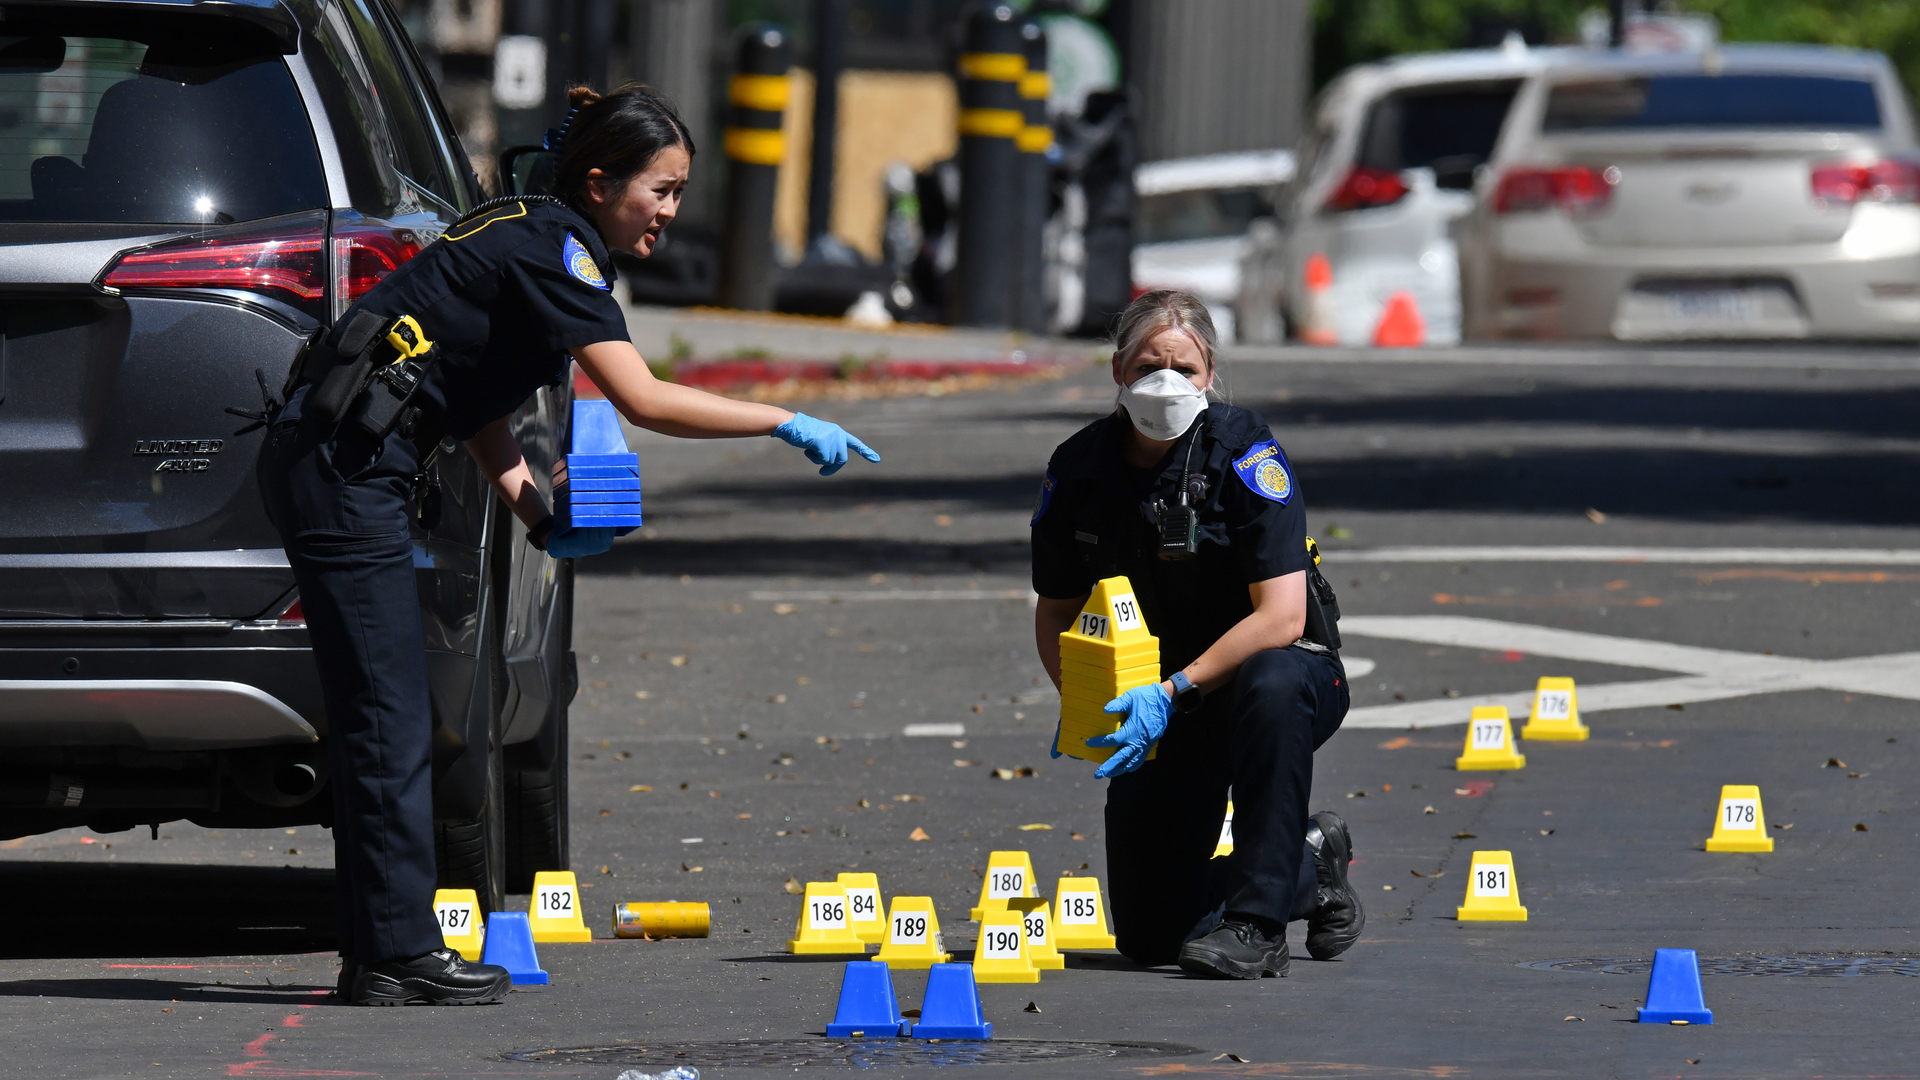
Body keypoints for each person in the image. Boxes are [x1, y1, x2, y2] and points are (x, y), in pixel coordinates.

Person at [258, 84, 879, 1006]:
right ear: (599, 182)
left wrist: (539, 518)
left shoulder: (534, 232)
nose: (671, 212)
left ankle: (382, 954)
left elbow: (475, 408)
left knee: (388, 712)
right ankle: (395, 953)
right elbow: (645, 399)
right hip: (346, 474)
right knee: (388, 714)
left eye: (677, 192)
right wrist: (784, 420)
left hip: (346, 468)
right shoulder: (556, 251)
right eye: (660, 190)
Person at [1029, 290, 1359, 979]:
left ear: (1211, 376)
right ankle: (1310, 864)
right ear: (1119, 371)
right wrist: (1090, 705)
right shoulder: (1079, 469)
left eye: (1186, 368)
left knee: (1271, 680)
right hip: (1164, 706)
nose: (1167, 383)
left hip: (1271, 683)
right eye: (1150, 365)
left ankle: (1259, 927)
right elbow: (1056, 608)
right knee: (1152, 938)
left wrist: (1173, 691)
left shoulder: (1245, 454)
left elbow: (1282, 618)